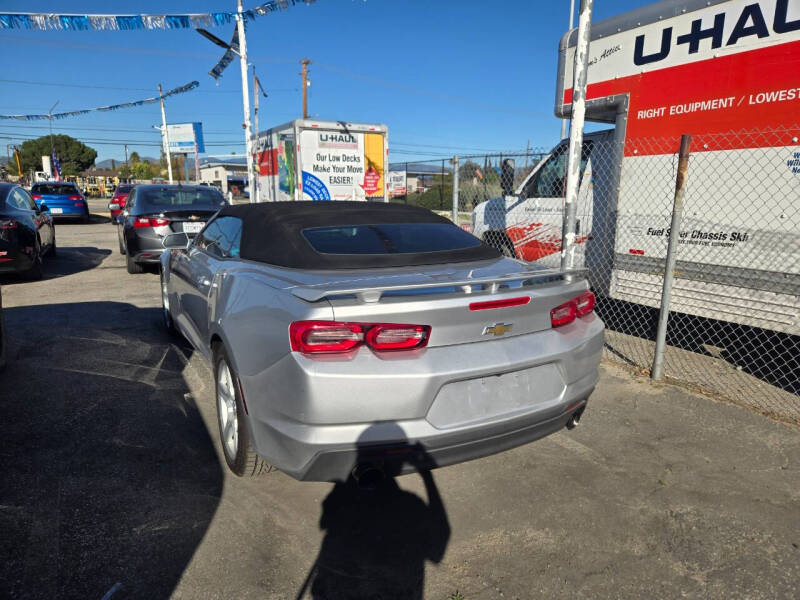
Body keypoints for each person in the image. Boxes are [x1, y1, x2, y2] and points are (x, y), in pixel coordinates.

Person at [300, 424, 451, 600]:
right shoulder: (411, 504)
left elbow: (326, 520)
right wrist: (427, 476)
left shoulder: (410, 503)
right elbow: (437, 548)